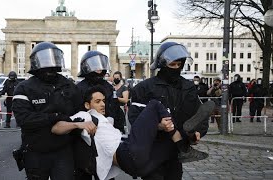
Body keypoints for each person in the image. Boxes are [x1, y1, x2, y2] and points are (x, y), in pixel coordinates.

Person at [51, 85, 213, 180]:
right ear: (87, 105)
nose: (102, 104)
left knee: (168, 144)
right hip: (126, 153)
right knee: (155, 105)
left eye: (104, 101)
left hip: (137, 167)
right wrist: (78, 126)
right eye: (97, 101)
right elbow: (56, 127)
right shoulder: (84, 116)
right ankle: (182, 142)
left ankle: (187, 138)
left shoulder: (107, 120)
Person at [127, 42, 209, 180]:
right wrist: (157, 126)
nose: (176, 68)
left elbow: (198, 114)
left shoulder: (188, 87)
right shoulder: (144, 87)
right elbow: (135, 118)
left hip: (175, 152)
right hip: (152, 150)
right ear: (162, 64)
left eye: (179, 64)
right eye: (172, 65)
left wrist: (197, 133)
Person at [12, 42, 88, 180]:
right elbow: (24, 120)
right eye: (45, 60)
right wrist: (54, 117)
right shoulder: (24, 88)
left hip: (63, 150)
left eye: (53, 60)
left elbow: (80, 112)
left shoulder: (68, 85)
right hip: (35, 149)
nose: (50, 65)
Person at [75, 50, 114, 180]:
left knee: (106, 173)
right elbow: (75, 112)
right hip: (84, 136)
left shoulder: (108, 87)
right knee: (83, 171)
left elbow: (113, 108)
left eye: (101, 66)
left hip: (105, 135)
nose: (99, 70)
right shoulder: (79, 88)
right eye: (95, 66)